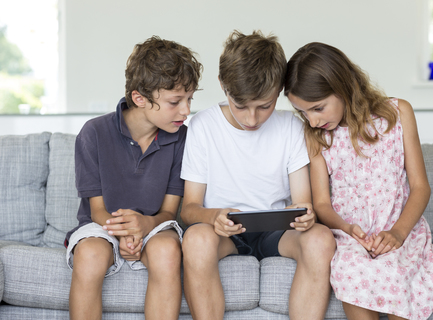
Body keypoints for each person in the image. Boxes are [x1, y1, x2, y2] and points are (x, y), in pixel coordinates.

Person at [180, 30, 336, 320]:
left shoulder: (291, 126)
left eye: (265, 106)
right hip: (224, 234)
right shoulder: (202, 126)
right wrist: (213, 217)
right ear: (223, 86)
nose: (252, 119)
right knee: (196, 240)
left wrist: (305, 214)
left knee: (321, 239)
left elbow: (302, 203)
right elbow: (189, 209)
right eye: (241, 107)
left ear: (279, 90)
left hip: (277, 234)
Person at [284, 42, 433, 320]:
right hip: (352, 239)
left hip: (401, 231)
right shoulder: (317, 137)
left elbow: (420, 187)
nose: (311, 121)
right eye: (303, 112)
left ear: (342, 86)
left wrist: (397, 234)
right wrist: (346, 229)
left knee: (397, 274)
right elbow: (321, 203)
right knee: (351, 272)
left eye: (318, 108)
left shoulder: (398, 113)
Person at [65, 36, 202, 320]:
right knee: (90, 254)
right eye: (175, 102)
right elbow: (97, 210)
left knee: (166, 251)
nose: (186, 111)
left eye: (190, 99)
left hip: (155, 225)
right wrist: (126, 232)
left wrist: (145, 226)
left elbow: (168, 210)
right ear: (139, 98)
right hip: (101, 225)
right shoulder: (94, 132)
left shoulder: (182, 139)